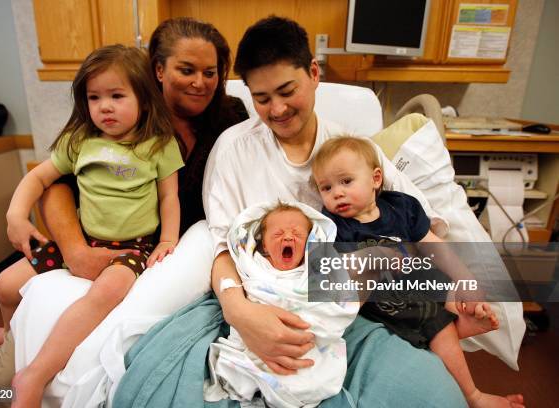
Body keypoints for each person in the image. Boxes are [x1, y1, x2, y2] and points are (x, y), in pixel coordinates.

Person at [201, 16, 521, 407]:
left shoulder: (351, 150)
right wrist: (240, 313)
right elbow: (220, 246)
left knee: (436, 396)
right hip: (267, 299)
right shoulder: (235, 151)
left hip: (360, 312)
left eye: (287, 90)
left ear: (314, 73)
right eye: (262, 99)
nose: (278, 109)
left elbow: (415, 229)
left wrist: (456, 286)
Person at [0, 16, 248, 402]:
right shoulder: (102, 131)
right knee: (1, 358)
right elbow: (53, 186)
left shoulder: (231, 117)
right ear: (158, 70)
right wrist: (74, 251)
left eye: (211, 72)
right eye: (186, 70)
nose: (200, 82)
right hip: (90, 243)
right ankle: (1, 377)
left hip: (158, 252)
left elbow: (201, 199)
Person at [3, 44, 185, 407]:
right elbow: (39, 179)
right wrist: (16, 215)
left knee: (106, 291)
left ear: (144, 100)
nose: (105, 106)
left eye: (117, 96)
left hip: (132, 248)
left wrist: (167, 239)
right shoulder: (79, 142)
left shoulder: (158, 145)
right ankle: (6, 335)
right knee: (4, 285)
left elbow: (169, 197)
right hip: (84, 241)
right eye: (94, 97)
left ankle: (35, 374)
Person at [311, 136, 524, 408]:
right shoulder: (334, 226)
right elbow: (335, 270)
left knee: (444, 287)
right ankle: (473, 394)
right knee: (435, 323)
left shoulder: (402, 207)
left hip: (419, 280)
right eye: (325, 188)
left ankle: (461, 321)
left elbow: (434, 245)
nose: (336, 193)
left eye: (346, 181)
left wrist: (465, 279)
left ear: (376, 179)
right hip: (380, 300)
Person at [205, 202, 359, 407]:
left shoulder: (317, 270)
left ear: (311, 242)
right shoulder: (254, 264)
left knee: (313, 377)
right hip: (254, 333)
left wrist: (316, 323)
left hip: (306, 339)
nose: (287, 237)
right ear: (264, 246)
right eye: (277, 234)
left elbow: (341, 303)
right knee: (235, 367)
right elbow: (230, 276)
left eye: (297, 233)